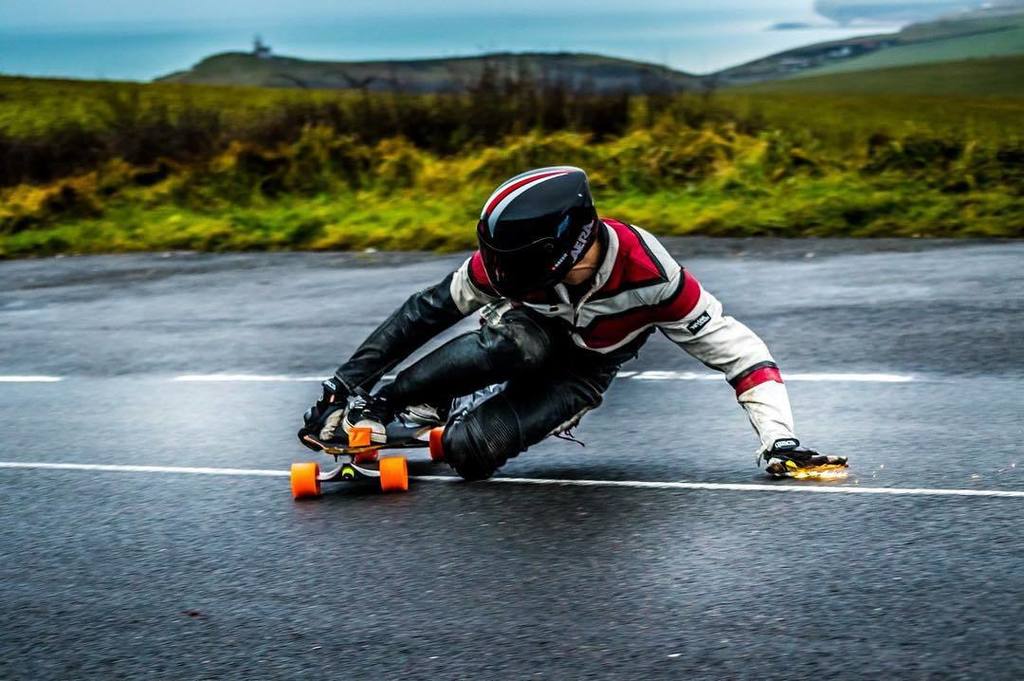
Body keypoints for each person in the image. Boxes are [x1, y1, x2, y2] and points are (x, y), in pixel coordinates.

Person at [299, 166, 828, 480]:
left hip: (585, 371)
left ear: (570, 244)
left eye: (516, 264)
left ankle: (443, 433)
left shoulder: (653, 278)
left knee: (472, 457)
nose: (502, 274)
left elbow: (742, 355)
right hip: (521, 338)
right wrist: (346, 386)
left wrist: (778, 440)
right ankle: (395, 404)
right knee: (518, 342)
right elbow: (425, 312)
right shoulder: (507, 267)